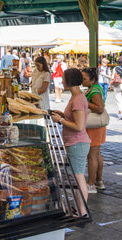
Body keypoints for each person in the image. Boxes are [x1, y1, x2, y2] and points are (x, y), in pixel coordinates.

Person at [50, 68, 90, 217]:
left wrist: (60, 120)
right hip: (74, 143)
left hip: (77, 143)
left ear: (70, 81)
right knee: (76, 177)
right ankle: (79, 208)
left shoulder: (78, 99)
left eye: (64, 78)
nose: (62, 81)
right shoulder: (76, 97)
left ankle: (82, 212)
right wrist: (62, 115)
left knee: (79, 179)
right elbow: (74, 119)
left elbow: (79, 126)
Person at [82, 68, 106, 194]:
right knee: (97, 154)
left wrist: (85, 102)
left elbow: (100, 108)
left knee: (92, 155)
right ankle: (99, 180)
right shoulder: (95, 88)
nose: (82, 81)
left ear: (92, 80)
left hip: (94, 127)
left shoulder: (94, 91)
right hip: (98, 127)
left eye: (85, 79)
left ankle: (91, 184)